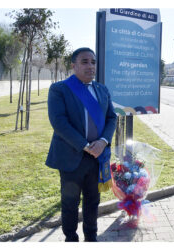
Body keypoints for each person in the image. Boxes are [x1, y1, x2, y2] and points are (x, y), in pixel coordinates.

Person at [46, 47, 117, 242]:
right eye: (85, 62)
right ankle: (71, 238)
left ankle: (91, 237)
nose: (90, 66)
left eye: (93, 62)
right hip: (72, 156)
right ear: (74, 65)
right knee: (70, 202)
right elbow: (59, 122)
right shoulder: (59, 89)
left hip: (97, 157)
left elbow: (112, 118)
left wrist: (102, 142)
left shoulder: (102, 90)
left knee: (93, 200)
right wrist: (86, 145)